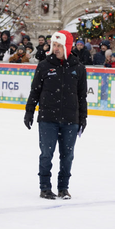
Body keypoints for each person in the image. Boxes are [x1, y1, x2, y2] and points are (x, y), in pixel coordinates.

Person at [24, 30, 87, 199]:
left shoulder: (79, 68)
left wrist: (83, 118)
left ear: (67, 46)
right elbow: (35, 91)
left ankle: (63, 187)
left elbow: (82, 96)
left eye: (59, 45)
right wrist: (29, 111)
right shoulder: (44, 65)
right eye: (54, 45)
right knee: (46, 154)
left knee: (67, 156)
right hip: (47, 119)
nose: (56, 48)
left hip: (70, 119)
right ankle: (45, 187)